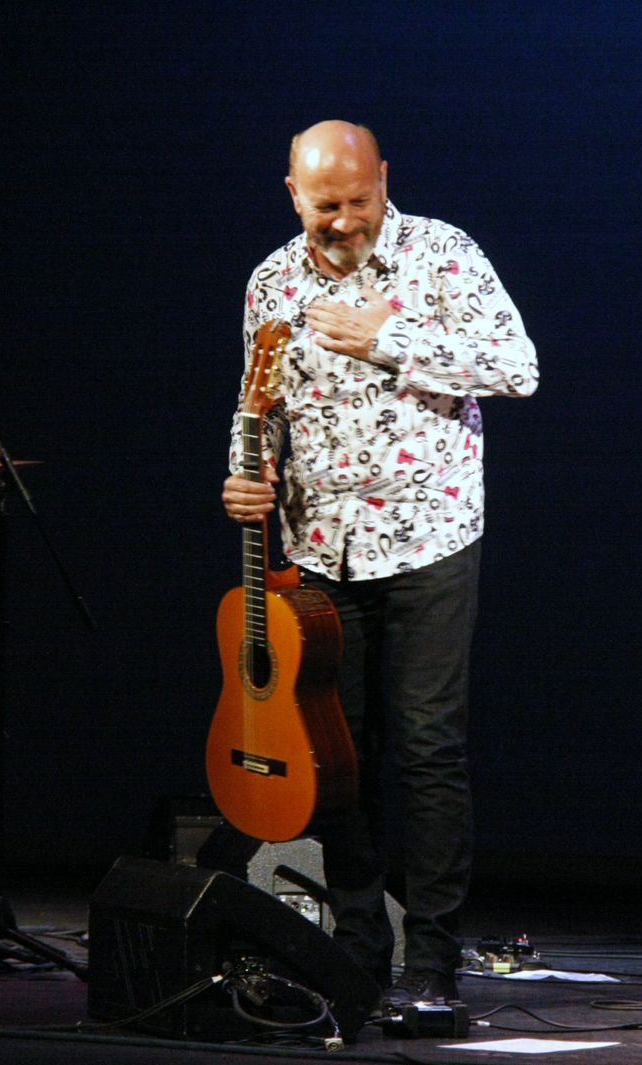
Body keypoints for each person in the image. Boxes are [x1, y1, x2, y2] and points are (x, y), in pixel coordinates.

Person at [221, 120, 538, 1005]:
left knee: (428, 748)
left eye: (360, 201)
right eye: (327, 205)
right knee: (334, 756)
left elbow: (521, 367)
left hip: (429, 533)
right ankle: (357, 945)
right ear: (293, 194)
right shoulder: (272, 281)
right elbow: (259, 405)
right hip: (320, 545)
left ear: (383, 180)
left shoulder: (441, 254)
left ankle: (431, 963)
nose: (345, 221)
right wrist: (245, 473)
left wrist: (389, 340)